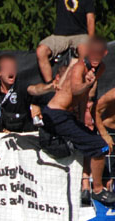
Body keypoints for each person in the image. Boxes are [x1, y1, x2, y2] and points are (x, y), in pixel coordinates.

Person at [42, 36, 114, 205]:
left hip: (67, 115)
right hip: (55, 114)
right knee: (99, 146)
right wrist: (87, 84)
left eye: (99, 53)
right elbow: (76, 90)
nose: (95, 56)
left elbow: (83, 98)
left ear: (104, 53)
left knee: (92, 141)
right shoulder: (79, 67)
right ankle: (98, 190)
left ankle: (85, 186)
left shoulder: (100, 68)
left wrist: (81, 120)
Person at [36, 0, 95, 83]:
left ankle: (78, 82)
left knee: (84, 51)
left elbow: (90, 19)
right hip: (60, 35)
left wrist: (91, 40)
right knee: (41, 51)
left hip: (80, 34)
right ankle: (50, 84)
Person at [0, 54, 36, 132]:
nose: (11, 71)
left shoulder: (21, 88)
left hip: (23, 135)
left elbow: (35, 89)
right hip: (2, 136)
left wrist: (49, 87)